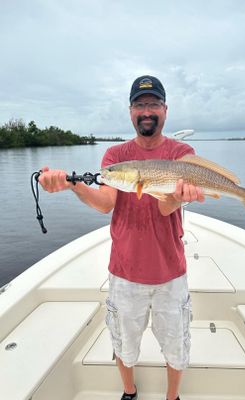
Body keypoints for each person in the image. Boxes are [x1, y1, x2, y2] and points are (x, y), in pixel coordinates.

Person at [39, 75, 205, 400]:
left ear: (165, 110)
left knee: (176, 343)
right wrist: (74, 185)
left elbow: (165, 209)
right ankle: (129, 391)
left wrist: (177, 197)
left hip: (171, 272)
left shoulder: (182, 153)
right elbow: (105, 203)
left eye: (153, 104)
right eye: (140, 105)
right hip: (125, 272)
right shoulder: (115, 157)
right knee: (123, 342)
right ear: (130, 111)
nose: (147, 111)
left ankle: (173, 397)